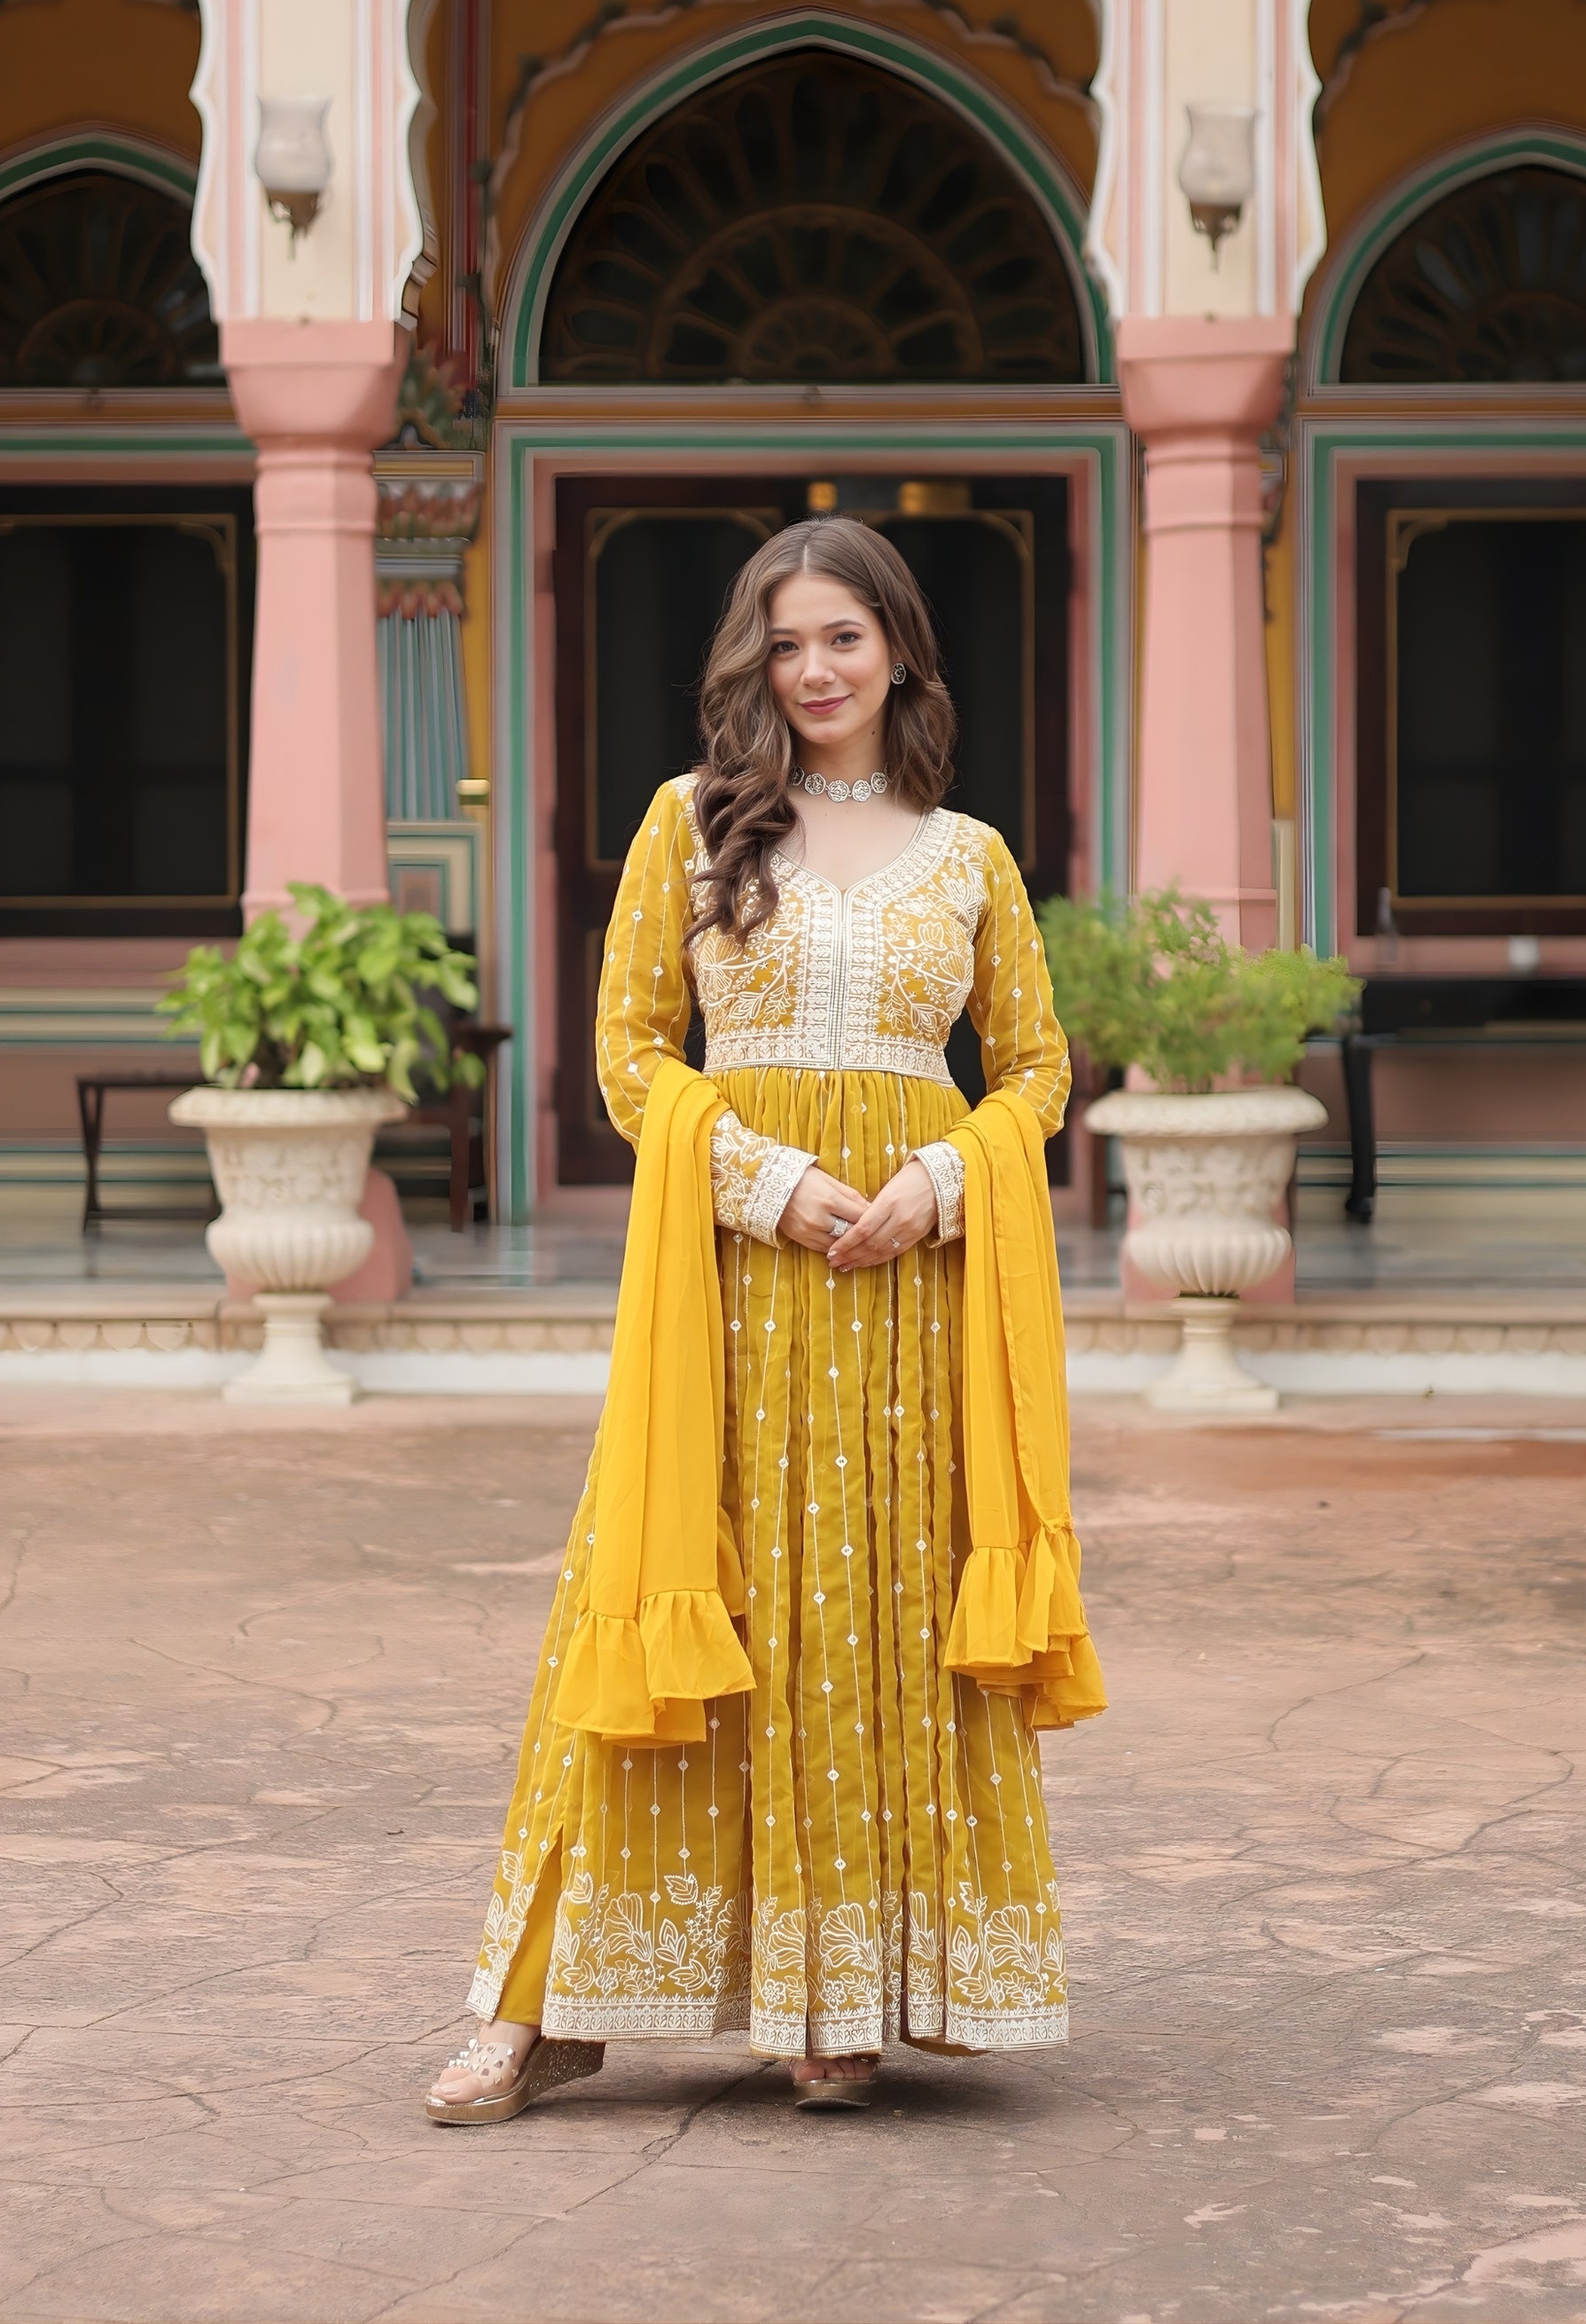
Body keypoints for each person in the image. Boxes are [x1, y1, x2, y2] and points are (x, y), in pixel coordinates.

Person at [426, 516, 1103, 2124]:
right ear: (755, 658)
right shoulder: (691, 825)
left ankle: (839, 1994)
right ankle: (539, 2007)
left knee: (867, 1606)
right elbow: (626, 1055)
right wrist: (758, 1175)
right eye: (786, 643)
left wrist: (943, 1181)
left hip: (907, 1302)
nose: (813, 671)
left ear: (900, 655)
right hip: (726, 1289)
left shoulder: (974, 856)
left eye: (843, 641)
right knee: (656, 1593)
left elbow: (1036, 1071)